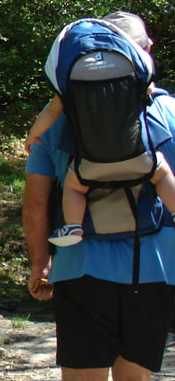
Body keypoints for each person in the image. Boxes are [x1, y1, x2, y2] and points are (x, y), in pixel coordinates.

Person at [24, 10, 173, 381]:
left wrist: (40, 263)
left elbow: (37, 202)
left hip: (80, 266)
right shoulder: (169, 113)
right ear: (141, 55)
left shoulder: (60, 121)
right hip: (152, 267)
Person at [24, 15, 175, 247]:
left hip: (89, 166)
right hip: (141, 159)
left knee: (74, 188)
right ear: (145, 50)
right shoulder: (154, 96)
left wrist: (33, 134)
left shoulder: (72, 93)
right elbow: (150, 88)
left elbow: (35, 202)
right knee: (162, 174)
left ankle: (73, 227)